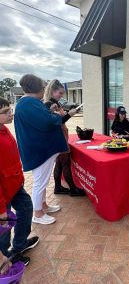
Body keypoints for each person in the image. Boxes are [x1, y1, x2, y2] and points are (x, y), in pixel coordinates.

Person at [14, 74, 68, 225]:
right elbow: (47, 122)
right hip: (40, 150)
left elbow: (43, 118)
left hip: (40, 149)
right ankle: (38, 214)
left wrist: (51, 112)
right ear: (36, 88)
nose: (44, 89)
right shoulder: (29, 103)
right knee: (40, 182)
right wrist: (57, 114)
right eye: (43, 87)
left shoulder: (29, 103)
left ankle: (43, 206)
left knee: (43, 181)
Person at [0, 97, 39, 266]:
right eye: (6, 111)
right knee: (4, 227)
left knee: (26, 207)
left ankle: (19, 245)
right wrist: (1, 207)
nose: (11, 113)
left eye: (10, 109)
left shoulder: (4, 129)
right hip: (3, 193)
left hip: (14, 185)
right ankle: (5, 258)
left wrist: (20, 178)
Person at [43, 79, 85, 197]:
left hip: (60, 137)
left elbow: (60, 120)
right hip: (59, 139)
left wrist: (68, 114)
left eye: (62, 93)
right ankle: (73, 189)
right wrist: (69, 114)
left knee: (60, 164)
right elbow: (58, 122)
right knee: (65, 164)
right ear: (52, 91)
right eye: (60, 93)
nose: (61, 96)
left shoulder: (55, 103)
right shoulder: (49, 105)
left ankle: (58, 187)